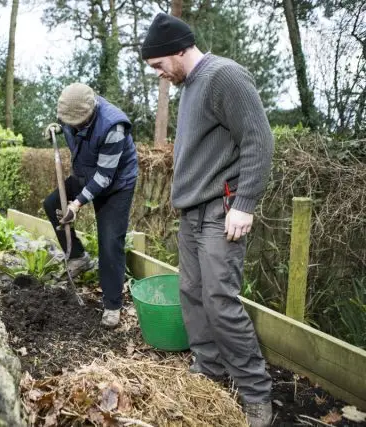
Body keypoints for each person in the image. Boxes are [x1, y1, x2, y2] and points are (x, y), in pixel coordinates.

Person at [140, 13, 275, 427]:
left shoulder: (224, 77)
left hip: (223, 211)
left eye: (160, 65)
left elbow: (258, 139)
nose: (161, 75)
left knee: (220, 300)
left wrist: (245, 203)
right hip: (193, 213)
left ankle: (256, 394)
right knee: (192, 294)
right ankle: (209, 368)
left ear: (179, 49)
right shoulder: (191, 85)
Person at [42, 83, 138, 328]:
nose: (71, 126)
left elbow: (105, 177)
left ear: (91, 111)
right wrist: (57, 128)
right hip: (86, 173)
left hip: (116, 183)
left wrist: (77, 204)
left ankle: (113, 304)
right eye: (68, 122)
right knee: (52, 203)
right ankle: (78, 257)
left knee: (110, 241)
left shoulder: (113, 126)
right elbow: (67, 123)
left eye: (75, 123)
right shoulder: (73, 109)